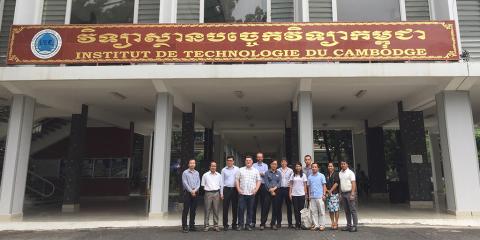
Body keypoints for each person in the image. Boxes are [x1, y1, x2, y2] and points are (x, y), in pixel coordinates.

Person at [236, 155, 262, 231]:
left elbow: (259, 180)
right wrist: (238, 189)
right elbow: (237, 180)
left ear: (252, 162)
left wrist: (256, 190)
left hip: (251, 194)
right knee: (241, 209)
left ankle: (248, 225)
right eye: (247, 160)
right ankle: (240, 225)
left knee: (250, 210)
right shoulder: (240, 170)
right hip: (242, 193)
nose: (248, 162)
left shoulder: (255, 171)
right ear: (245, 161)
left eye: (249, 160)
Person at [201, 161, 223, 232]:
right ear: (209, 167)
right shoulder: (205, 175)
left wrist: (221, 194)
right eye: (212, 166)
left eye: (215, 166)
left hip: (216, 193)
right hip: (208, 193)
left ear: (216, 167)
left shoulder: (219, 175)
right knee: (207, 210)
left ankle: (216, 226)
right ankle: (206, 226)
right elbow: (203, 185)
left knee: (216, 210)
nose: (213, 167)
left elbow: (221, 185)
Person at [181, 159, 201, 233]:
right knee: (186, 210)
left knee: (193, 210)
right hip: (187, 193)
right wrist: (191, 191)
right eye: (191, 163)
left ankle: (192, 226)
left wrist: (195, 190)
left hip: (195, 193)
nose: (192, 164)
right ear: (188, 164)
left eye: (193, 163)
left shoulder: (197, 173)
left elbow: (199, 182)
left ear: (195, 164)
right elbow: (185, 183)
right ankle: (184, 226)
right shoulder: (185, 173)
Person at [261, 160, 281, 230]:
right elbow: (266, 182)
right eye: (272, 164)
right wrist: (270, 190)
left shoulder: (279, 173)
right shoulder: (267, 172)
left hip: (276, 192)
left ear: (277, 165)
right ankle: (262, 224)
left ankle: (273, 224)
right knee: (265, 208)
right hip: (268, 192)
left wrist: (274, 189)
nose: (274, 165)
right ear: (270, 165)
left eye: (275, 164)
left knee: (275, 208)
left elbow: (279, 183)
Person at [339, 160, 358, 232]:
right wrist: (340, 194)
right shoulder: (340, 173)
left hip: (350, 193)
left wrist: (352, 194)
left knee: (352, 210)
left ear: (347, 165)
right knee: (346, 211)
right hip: (343, 193)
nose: (343, 165)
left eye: (344, 164)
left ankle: (355, 226)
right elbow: (341, 184)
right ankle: (348, 225)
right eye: (341, 164)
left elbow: (353, 183)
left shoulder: (350, 173)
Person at [221, 155, 239, 231]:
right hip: (226, 190)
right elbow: (221, 182)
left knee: (235, 208)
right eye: (228, 160)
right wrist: (221, 193)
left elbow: (239, 180)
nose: (229, 162)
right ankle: (225, 225)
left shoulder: (237, 169)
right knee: (225, 208)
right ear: (226, 161)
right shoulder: (223, 170)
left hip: (235, 190)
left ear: (233, 161)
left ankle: (234, 224)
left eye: (231, 160)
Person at [307, 162, 327, 231]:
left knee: (321, 211)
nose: (314, 168)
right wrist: (309, 196)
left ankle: (322, 225)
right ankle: (316, 225)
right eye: (313, 167)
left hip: (320, 196)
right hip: (312, 197)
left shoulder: (322, 175)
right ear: (311, 168)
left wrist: (324, 194)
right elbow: (309, 187)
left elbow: (324, 185)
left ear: (318, 168)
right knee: (314, 212)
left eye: (315, 167)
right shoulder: (309, 176)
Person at [289, 162, 307, 230]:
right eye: (296, 166)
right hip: (294, 195)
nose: (298, 167)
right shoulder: (292, 175)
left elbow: (305, 185)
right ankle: (297, 223)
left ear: (301, 167)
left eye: (299, 166)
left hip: (301, 194)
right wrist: (290, 193)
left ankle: (301, 223)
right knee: (296, 210)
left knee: (301, 210)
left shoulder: (303, 175)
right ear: (295, 167)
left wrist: (305, 194)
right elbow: (290, 185)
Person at [252, 152, 268, 228]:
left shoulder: (266, 165)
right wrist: (261, 173)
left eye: (260, 157)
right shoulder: (253, 165)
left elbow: (266, 174)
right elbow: (253, 174)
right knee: (253, 204)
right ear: (256, 158)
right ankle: (253, 222)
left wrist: (258, 173)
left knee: (263, 205)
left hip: (263, 186)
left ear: (262, 158)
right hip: (254, 186)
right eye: (258, 157)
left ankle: (263, 223)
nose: (259, 158)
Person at [278, 158, 294, 228]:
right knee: (279, 206)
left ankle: (290, 223)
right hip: (280, 189)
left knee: (289, 207)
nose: (283, 163)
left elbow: (292, 181)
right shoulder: (278, 170)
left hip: (288, 189)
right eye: (282, 162)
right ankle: (279, 223)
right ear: (281, 163)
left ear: (287, 163)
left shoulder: (290, 170)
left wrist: (291, 190)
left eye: (285, 162)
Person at [325, 162, 340, 230]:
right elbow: (324, 184)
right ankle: (332, 222)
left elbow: (336, 183)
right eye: (329, 166)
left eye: (331, 166)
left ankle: (336, 223)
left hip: (334, 194)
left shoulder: (336, 174)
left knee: (336, 209)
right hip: (328, 195)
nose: (330, 167)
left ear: (333, 167)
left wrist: (330, 190)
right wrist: (327, 191)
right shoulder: (327, 175)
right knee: (331, 210)